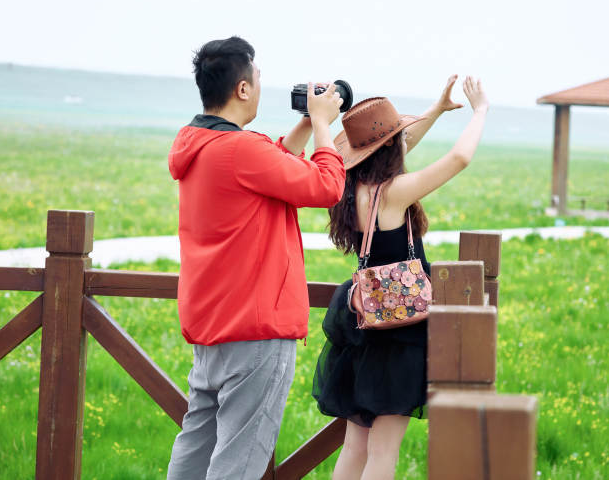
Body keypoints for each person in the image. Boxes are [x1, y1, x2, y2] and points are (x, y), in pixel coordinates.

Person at [166, 36, 346, 480]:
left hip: (212, 326)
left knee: (196, 447)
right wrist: (325, 126)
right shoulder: (242, 149)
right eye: (258, 77)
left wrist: (306, 122)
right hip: (256, 329)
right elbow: (326, 187)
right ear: (242, 89)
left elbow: (270, 164)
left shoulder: (197, 143)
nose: (261, 85)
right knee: (239, 463)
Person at [312, 74, 489, 479]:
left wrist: (436, 111)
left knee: (355, 446)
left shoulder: (350, 186)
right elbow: (459, 159)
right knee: (384, 451)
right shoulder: (392, 194)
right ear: (392, 148)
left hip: (362, 329)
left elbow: (398, 144)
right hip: (399, 332)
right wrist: (479, 111)